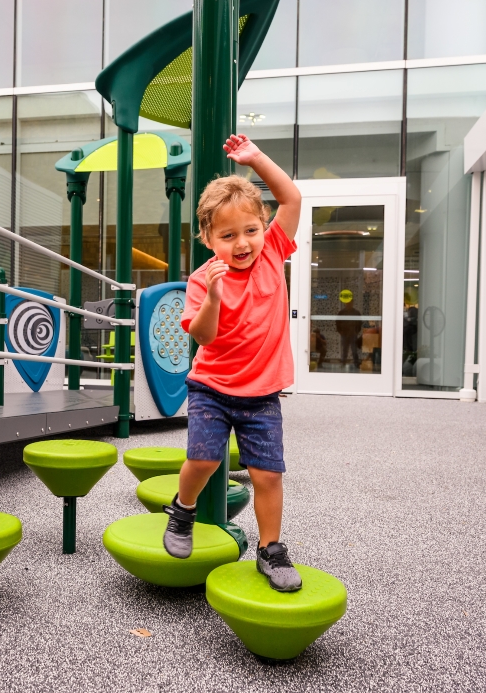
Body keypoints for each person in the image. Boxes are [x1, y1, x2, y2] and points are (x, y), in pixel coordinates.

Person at [162, 133, 303, 592]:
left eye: (250, 230)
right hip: (213, 389)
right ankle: (182, 511)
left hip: (262, 394)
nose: (242, 243)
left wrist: (255, 158)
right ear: (207, 238)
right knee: (202, 461)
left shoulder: (275, 251)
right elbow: (203, 336)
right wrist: (217, 293)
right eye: (227, 236)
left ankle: (271, 549)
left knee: (268, 474)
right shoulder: (203, 279)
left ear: (264, 227)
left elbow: (291, 196)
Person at [335, 289, 362, 369]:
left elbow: (359, 323)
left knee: (354, 350)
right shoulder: (341, 312)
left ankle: (356, 363)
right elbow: (337, 323)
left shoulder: (356, 313)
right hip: (344, 334)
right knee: (345, 349)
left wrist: (356, 332)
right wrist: (340, 331)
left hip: (353, 334)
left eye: (350, 302)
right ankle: (343, 362)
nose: (349, 304)